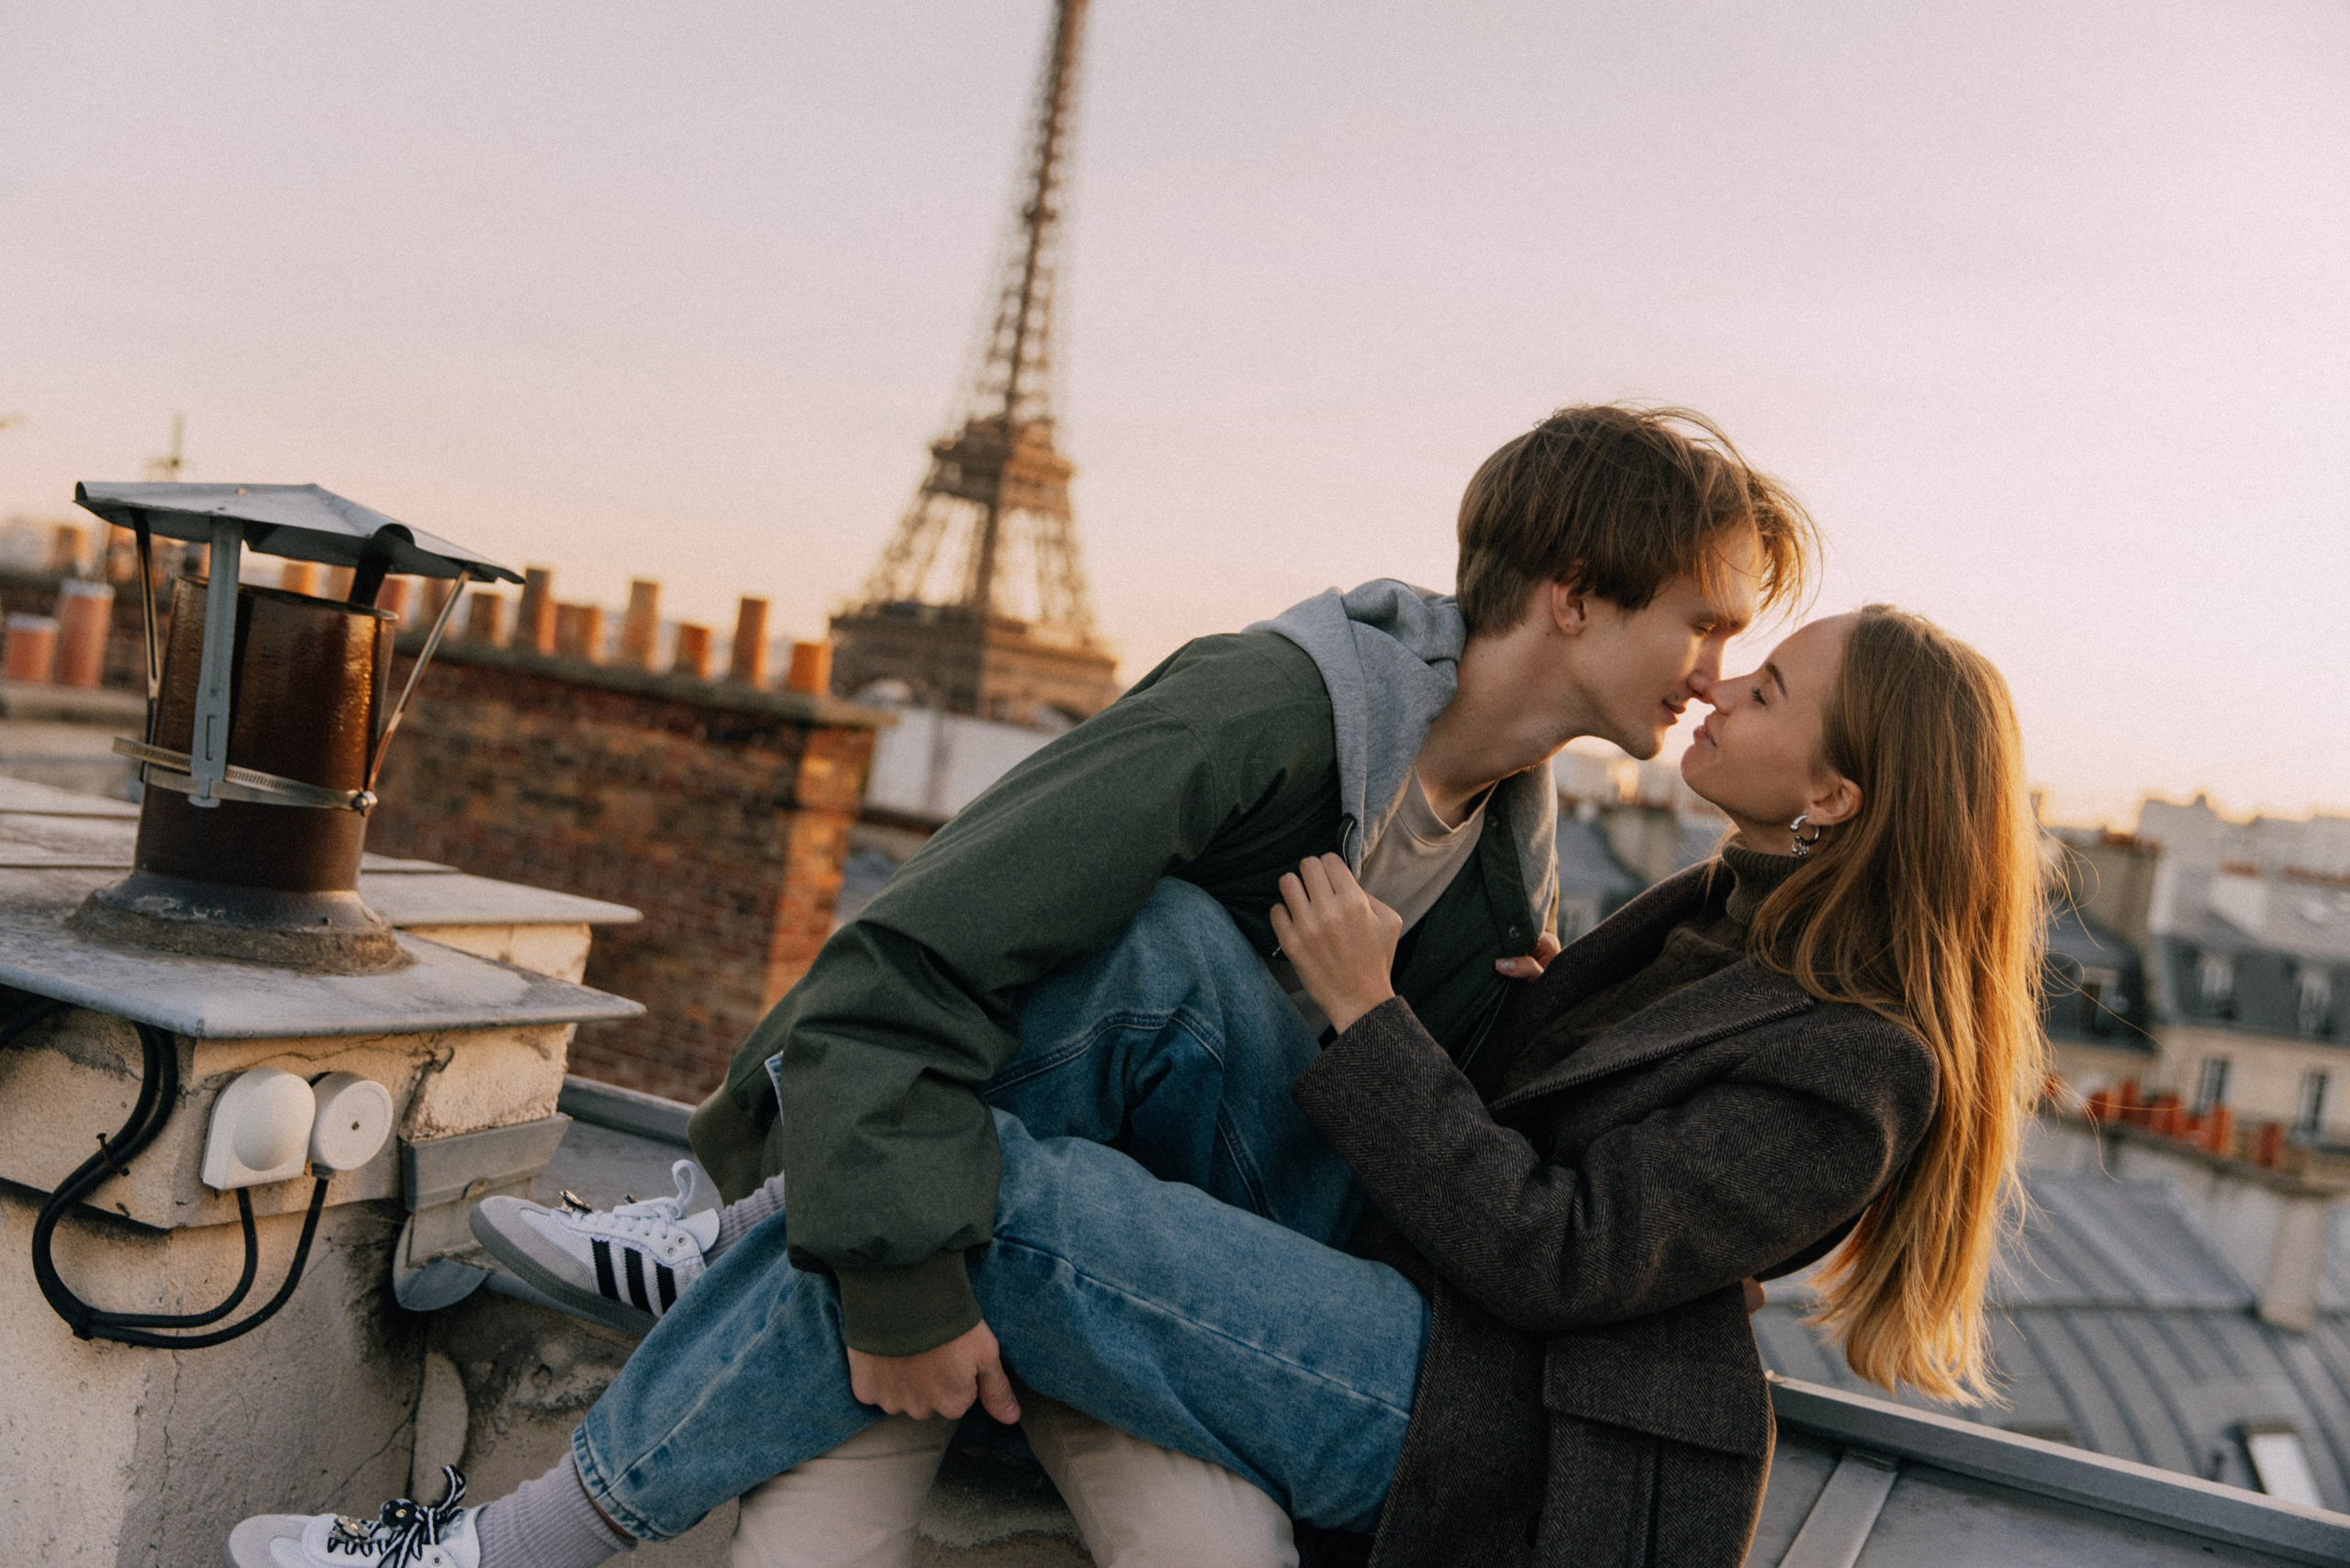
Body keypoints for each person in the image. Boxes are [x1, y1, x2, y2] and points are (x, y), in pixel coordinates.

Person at [227, 405, 1820, 1567]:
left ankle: (664, 1340)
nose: (1715, 664)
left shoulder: (1515, 867)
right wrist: (909, 1286)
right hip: (1063, 1174)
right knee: (1159, 965)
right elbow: (914, 955)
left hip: (1203, 1236)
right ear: (1577, 588)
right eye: (1708, 619)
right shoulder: (1267, 711)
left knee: (1150, 999)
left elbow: (1467, 1170)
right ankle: (745, 1244)